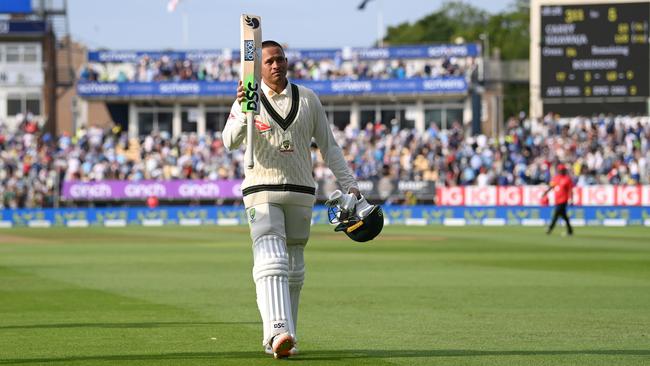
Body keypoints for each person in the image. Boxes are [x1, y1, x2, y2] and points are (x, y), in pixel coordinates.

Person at [222, 40, 368, 359]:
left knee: (294, 268)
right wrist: (243, 111)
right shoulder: (248, 98)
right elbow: (229, 142)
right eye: (270, 61)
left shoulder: (308, 98)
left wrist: (351, 185)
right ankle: (276, 331)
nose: (276, 65)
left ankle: (288, 337)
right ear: (258, 68)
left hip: (302, 190)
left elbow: (329, 146)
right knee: (271, 258)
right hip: (261, 187)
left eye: (280, 59)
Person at [542, 163, 574, 236]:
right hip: (557, 200)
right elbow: (551, 186)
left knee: (556, 214)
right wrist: (545, 192)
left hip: (563, 200)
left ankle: (550, 229)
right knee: (564, 216)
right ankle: (570, 231)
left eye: (563, 170)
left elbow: (570, 190)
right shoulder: (556, 178)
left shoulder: (567, 179)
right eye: (560, 170)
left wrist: (571, 199)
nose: (561, 171)